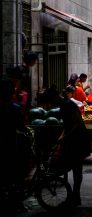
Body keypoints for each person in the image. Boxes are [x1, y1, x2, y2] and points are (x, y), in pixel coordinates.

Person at [0, 79, 29, 214]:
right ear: (11, 92)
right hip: (11, 145)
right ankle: (15, 204)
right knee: (15, 175)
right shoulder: (15, 108)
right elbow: (21, 127)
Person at [59, 85, 91, 206]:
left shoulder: (66, 105)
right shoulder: (65, 104)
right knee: (75, 169)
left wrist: (66, 136)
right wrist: (63, 135)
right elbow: (68, 124)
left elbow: (76, 122)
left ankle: (75, 197)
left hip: (78, 139)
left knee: (77, 169)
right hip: (75, 138)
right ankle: (73, 197)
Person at [8, 51, 38, 122]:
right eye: (34, 60)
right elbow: (17, 84)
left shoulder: (26, 69)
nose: (35, 62)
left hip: (23, 96)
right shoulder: (21, 70)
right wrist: (18, 93)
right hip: (20, 97)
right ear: (31, 60)